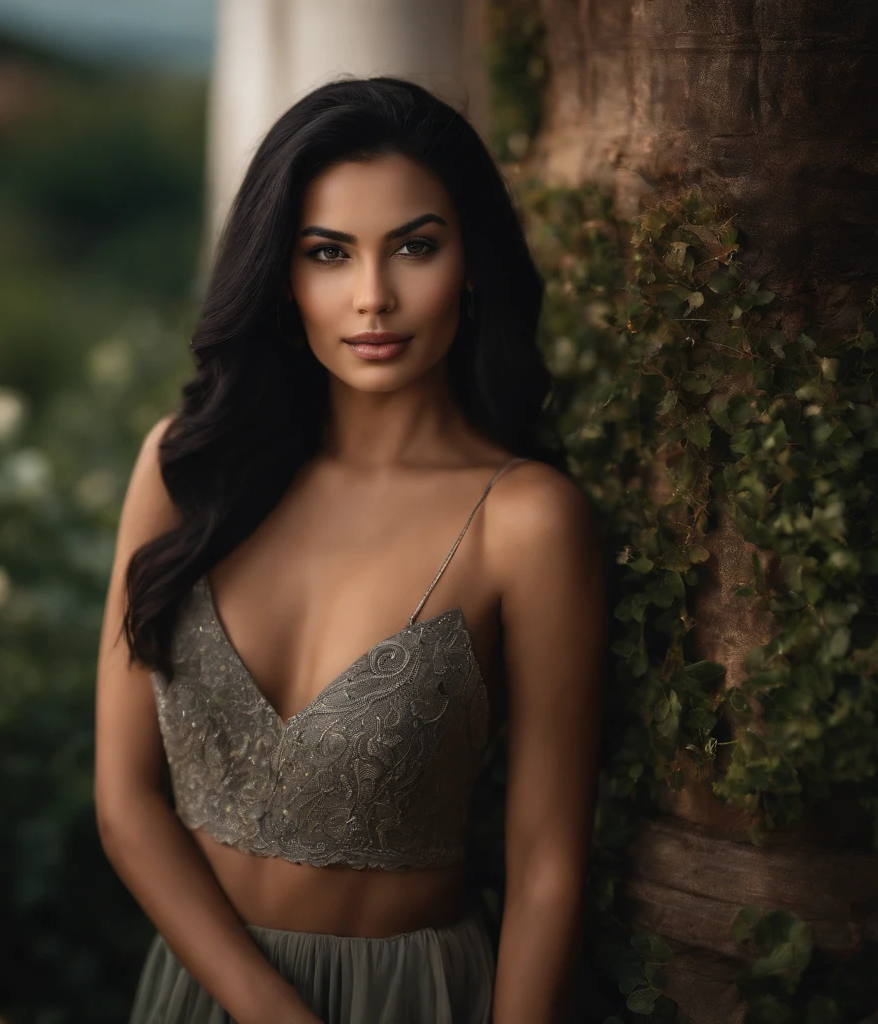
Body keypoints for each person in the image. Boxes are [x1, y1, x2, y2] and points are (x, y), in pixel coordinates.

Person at [94, 75, 607, 1024]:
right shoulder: (188, 471)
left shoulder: (526, 522)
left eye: (415, 246)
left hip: (407, 999)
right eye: (329, 253)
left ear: (474, 263)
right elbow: (125, 801)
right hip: (201, 991)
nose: (373, 297)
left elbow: (546, 868)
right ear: (282, 277)